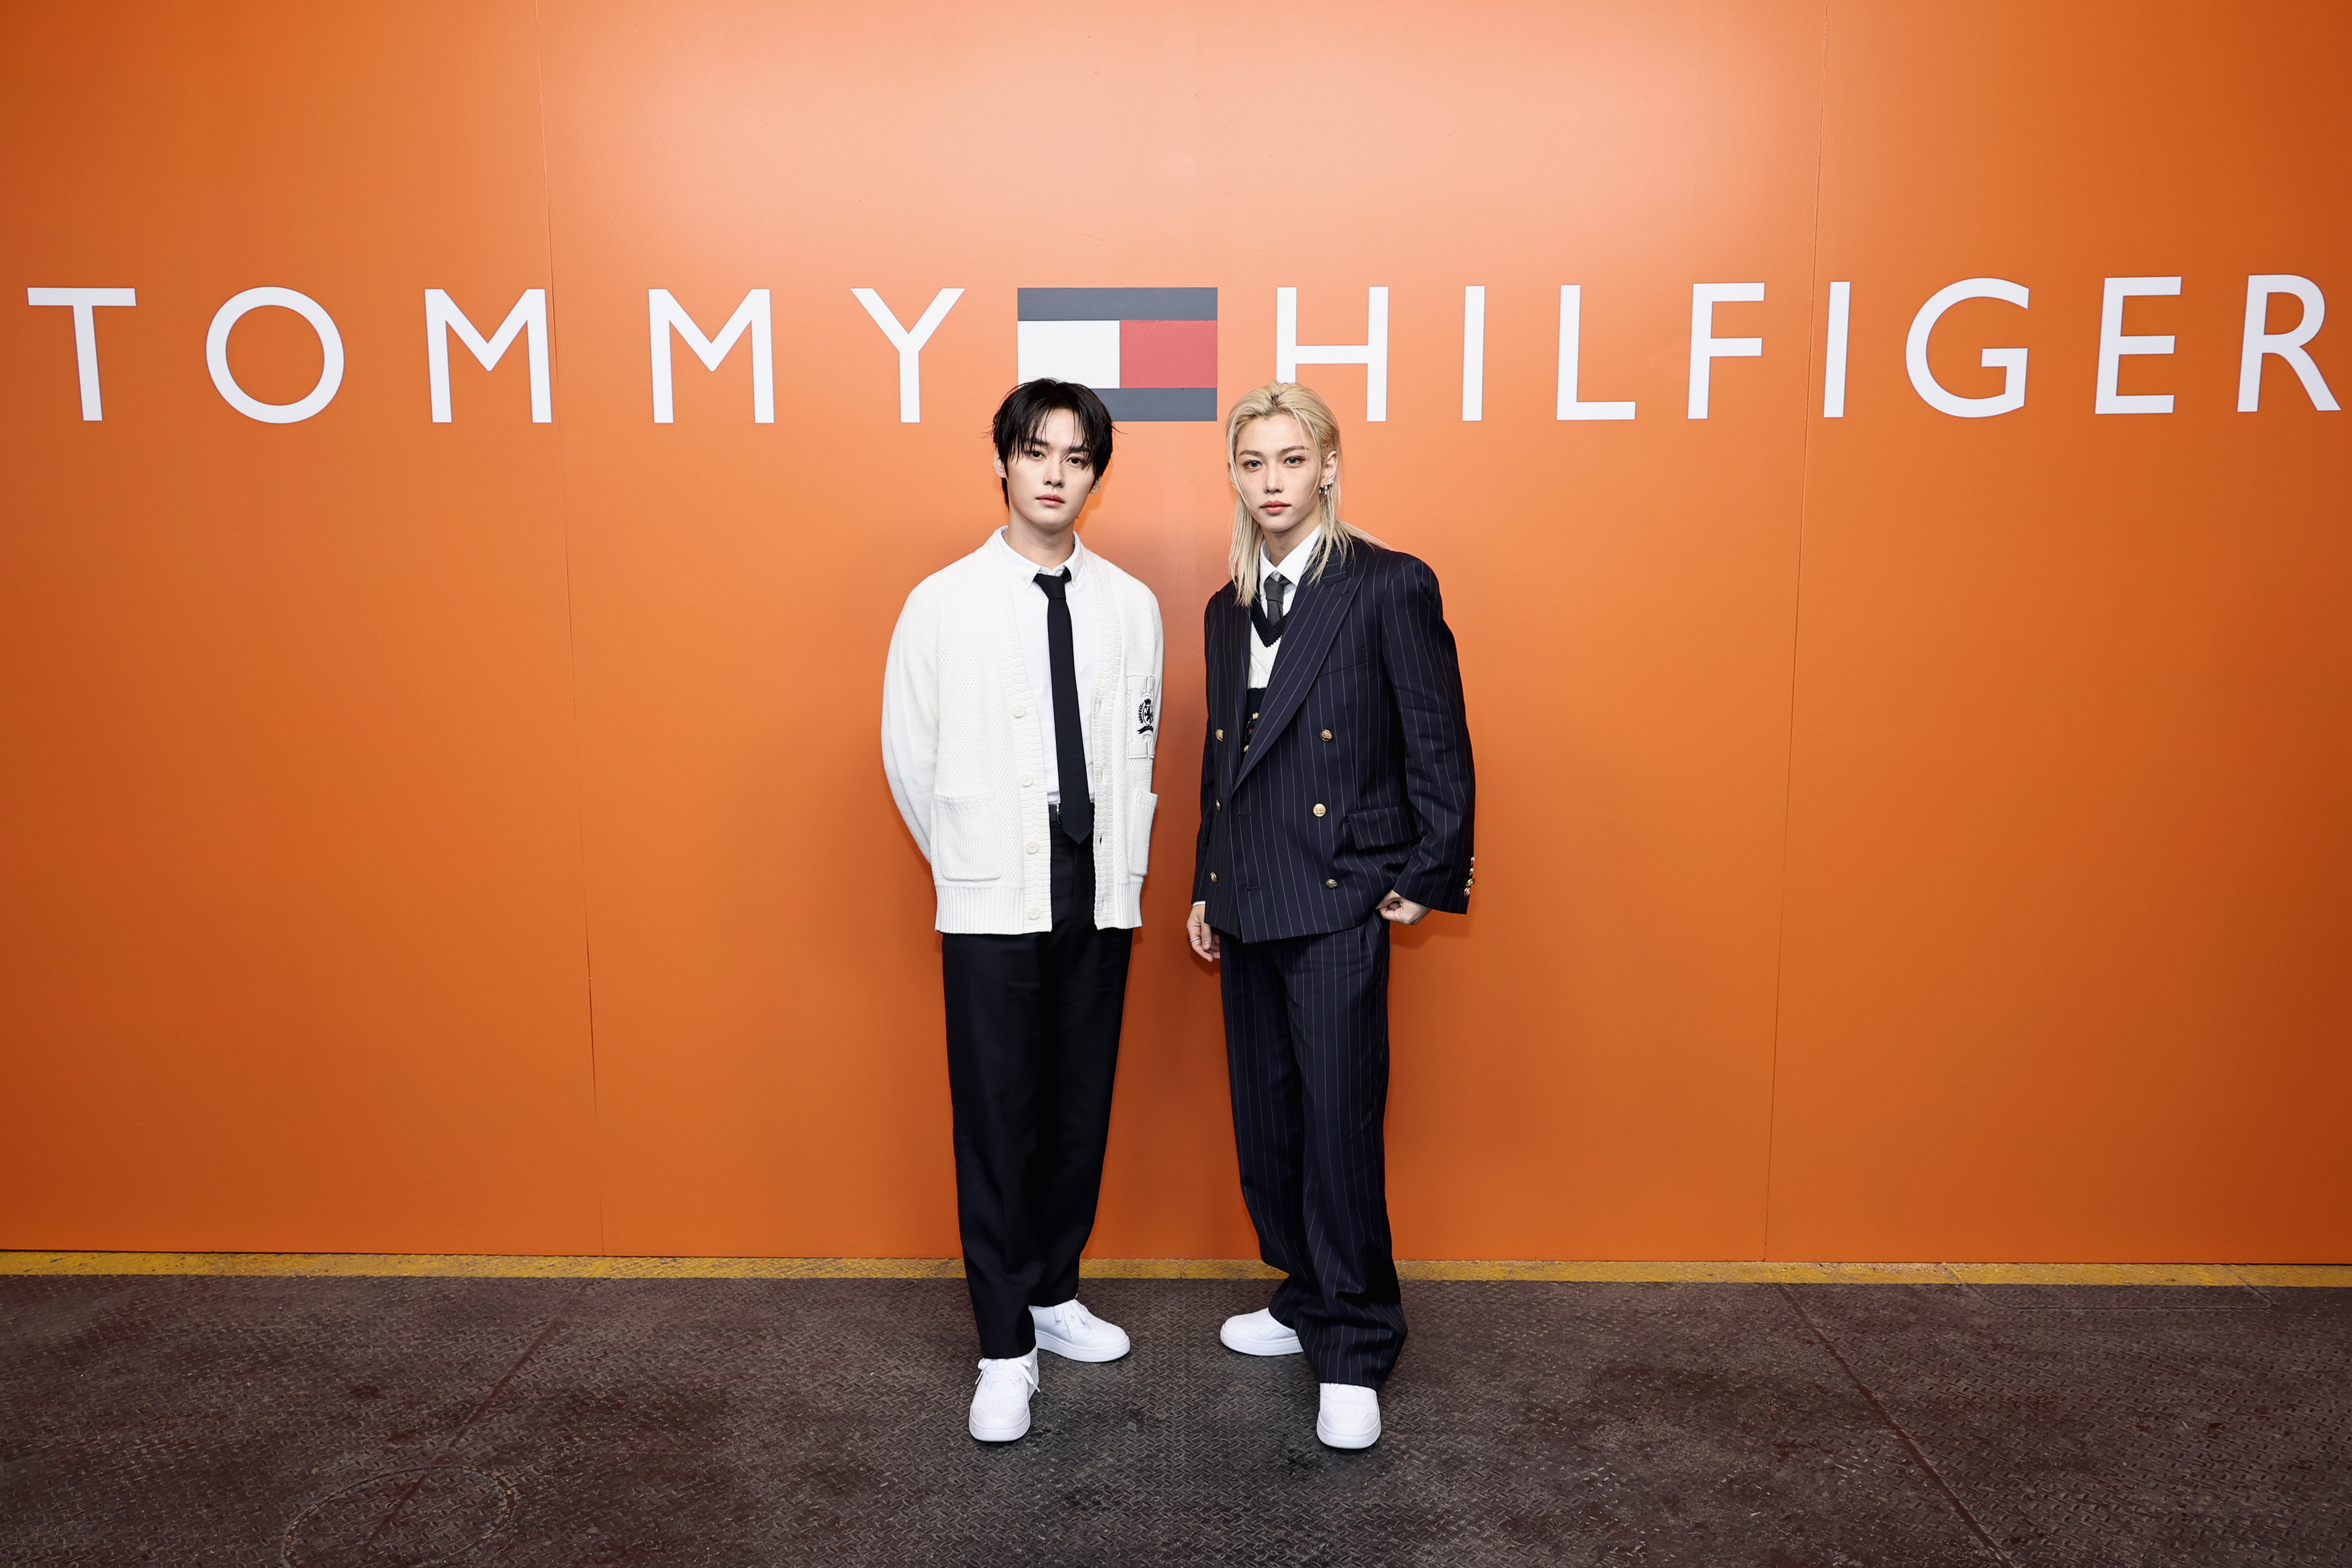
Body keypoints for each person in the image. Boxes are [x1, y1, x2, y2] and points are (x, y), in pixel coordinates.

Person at [1186, 381, 1475, 1450]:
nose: (1272, 483)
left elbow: (1436, 737)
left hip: (1341, 891)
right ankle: (1305, 1293)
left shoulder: (1387, 584)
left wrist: (1427, 865)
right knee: (1268, 1125)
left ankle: (1354, 1341)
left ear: (1329, 468)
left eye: (1290, 461)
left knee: (1339, 1129)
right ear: (1237, 475)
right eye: (1253, 463)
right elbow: (1225, 763)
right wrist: (1207, 883)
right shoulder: (1227, 605)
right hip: (1252, 893)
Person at [882, 379, 1165, 1442]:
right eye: (1037, 451)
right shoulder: (941, 601)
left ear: (1095, 474)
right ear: (1002, 461)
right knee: (998, 1117)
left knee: (1077, 1107)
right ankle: (1005, 1346)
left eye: (1078, 457)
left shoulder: (1130, 604)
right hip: (994, 887)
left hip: (1097, 884)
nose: (1056, 473)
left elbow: (1138, 739)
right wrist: (970, 857)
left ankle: (1054, 1294)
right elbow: (909, 758)